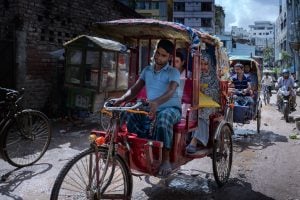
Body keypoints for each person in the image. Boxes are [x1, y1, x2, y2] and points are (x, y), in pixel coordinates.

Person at [113, 39, 181, 176]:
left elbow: (171, 91)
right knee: (128, 112)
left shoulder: (173, 72)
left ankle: (166, 159)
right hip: (151, 107)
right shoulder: (147, 70)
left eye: (163, 55)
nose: (159, 57)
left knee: (163, 119)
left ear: (169, 57)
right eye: (158, 53)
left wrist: (156, 102)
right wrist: (121, 100)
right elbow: (134, 90)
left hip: (171, 109)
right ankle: (132, 149)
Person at [186, 51, 220, 154]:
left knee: (201, 112)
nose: (203, 67)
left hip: (211, 104)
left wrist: (204, 89)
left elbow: (216, 93)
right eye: (201, 64)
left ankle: (194, 141)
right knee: (187, 110)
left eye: (205, 64)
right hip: (197, 101)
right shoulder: (195, 74)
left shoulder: (214, 76)